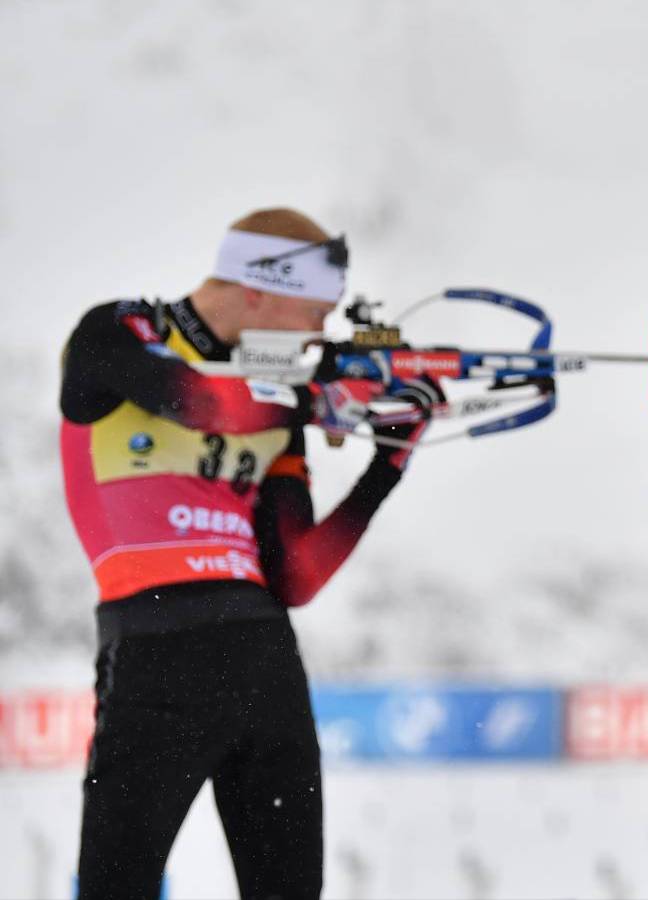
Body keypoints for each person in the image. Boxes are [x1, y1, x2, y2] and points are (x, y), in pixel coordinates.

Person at [58, 208, 430, 899]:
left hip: (263, 658)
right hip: (154, 648)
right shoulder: (118, 332)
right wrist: (318, 399)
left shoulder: (282, 404)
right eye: (314, 312)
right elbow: (199, 401)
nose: (321, 333)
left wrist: (387, 466)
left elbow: (297, 574)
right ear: (256, 290)